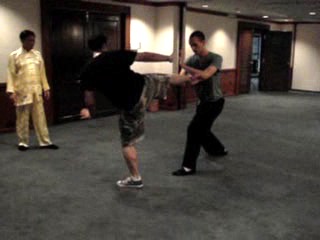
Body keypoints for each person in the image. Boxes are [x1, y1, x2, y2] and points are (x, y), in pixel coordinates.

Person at [79, 35, 192, 188]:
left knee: (127, 142)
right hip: (144, 87)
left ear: (90, 48)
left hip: (130, 104)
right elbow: (145, 56)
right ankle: (193, 78)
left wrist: (90, 111)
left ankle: (135, 178)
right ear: (105, 45)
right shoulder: (116, 54)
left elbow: (89, 97)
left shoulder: (88, 69)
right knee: (162, 78)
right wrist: (168, 58)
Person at [172, 30, 227, 176]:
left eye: (195, 45)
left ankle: (188, 167)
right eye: (191, 46)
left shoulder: (215, 58)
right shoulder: (193, 60)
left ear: (203, 42)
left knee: (194, 130)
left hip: (215, 102)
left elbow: (206, 74)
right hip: (202, 103)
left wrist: (183, 65)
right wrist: (176, 79)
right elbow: (181, 79)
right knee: (202, 129)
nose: (193, 48)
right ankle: (218, 149)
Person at [6, 30, 59, 151]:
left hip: (36, 91)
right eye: (30, 40)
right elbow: (11, 74)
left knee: (40, 116)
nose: (33, 42)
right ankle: (23, 142)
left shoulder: (37, 55)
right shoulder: (14, 55)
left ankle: (45, 141)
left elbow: (42, 73)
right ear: (23, 41)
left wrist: (46, 88)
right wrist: (11, 92)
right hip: (22, 92)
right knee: (22, 118)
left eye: (34, 40)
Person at [80, 34, 108, 119]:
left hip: (93, 95)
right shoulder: (109, 59)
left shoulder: (88, 62)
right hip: (102, 96)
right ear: (103, 46)